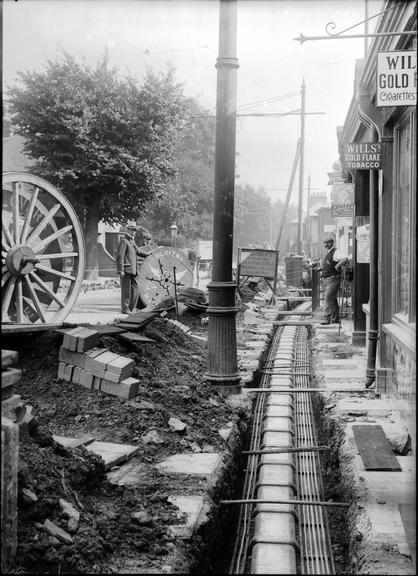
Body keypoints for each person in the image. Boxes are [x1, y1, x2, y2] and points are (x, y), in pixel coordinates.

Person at [116, 221, 148, 314]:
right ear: (127, 229)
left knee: (136, 290)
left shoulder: (131, 241)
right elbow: (120, 256)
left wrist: (149, 254)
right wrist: (120, 270)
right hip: (126, 270)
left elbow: (138, 251)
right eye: (131, 230)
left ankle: (131, 308)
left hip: (134, 270)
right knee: (126, 292)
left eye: (134, 230)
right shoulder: (124, 241)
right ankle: (125, 309)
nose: (133, 232)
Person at [318, 234, 348, 325]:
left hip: (333, 279)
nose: (326, 245)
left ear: (332, 243)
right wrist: (321, 269)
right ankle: (335, 319)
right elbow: (330, 264)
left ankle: (326, 318)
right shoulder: (329, 253)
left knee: (327, 298)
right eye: (325, 243)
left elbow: (345, 259)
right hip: (328, 280)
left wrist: (337, 266)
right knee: (332, 299)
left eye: (327, 243)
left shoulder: (336, 252)